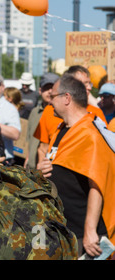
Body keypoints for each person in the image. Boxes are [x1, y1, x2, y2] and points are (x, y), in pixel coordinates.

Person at [37, 74, 115, 257]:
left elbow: (97, 184)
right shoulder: (61, 129)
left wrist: (90, 231)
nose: (49, 101)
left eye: (53, 96)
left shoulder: (91, 134)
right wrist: (41, 170)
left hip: (81, 233)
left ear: (67, 98)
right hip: (57, 228)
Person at [34, 66, 107, 162]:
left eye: (89, 83)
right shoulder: (49, 111)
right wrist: (41, 172)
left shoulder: (96, 114)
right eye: (84, 83)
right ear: (71, 84)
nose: (89, 87)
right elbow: (43, 148)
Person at [25, 72, 59, 170]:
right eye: (46, 88)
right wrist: (27, 158)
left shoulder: (61, 115)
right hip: (31, 168)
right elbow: (29, 139)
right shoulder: (35, 112)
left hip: (48, 170)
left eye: (52, 88)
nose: (49, 91)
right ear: (40, 90)